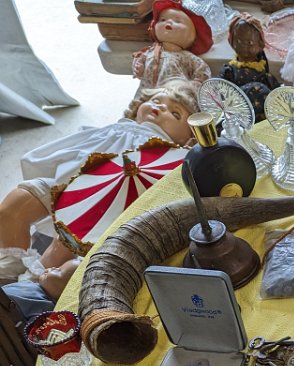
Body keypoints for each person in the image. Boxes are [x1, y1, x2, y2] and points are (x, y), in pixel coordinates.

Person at [0, 79, 199, 282]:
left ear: (189, 139)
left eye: (175, 113)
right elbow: (72, 151)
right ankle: (9, 269)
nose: (161, 107)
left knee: (66, 242)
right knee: (17, 202)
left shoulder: (175, 158)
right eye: (156, 100)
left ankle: (28, 283)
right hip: (71, 189)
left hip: (108, 213)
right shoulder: (116, 128)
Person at [126, 0, 212, 117]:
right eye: (162, 20)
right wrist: (139, 68)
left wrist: (192, 87)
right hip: (146, 93)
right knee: (139, 112)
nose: (169, 22)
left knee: (169, 115)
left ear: (192, 36)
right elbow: (139, 62)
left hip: (172, 96)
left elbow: (202, 72)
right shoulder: (149, 52)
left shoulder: (187, 57)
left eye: (177, 21)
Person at [220, 13, 279, 122]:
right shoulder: (230, 70)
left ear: (260, 45)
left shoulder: (264, 73)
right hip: (238, 119)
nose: (244, 47)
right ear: (231, 42)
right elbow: (220, 93)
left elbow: (277, 95)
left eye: (250, 43)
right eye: (239, 42)